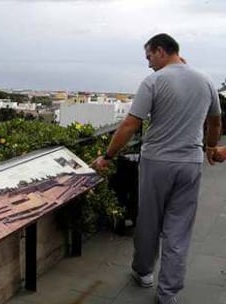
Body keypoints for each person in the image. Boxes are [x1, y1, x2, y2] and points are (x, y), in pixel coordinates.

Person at [92, 33, 222, 304]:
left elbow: (130, 124)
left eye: (149, 56)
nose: (148, 63)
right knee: (179, 228)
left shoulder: (154, 81)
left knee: (149, 221)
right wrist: (210, 148)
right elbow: (215, 122)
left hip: (157, 163)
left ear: (161, 51)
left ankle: (143, 271)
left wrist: (107, 155)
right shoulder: (206, 80)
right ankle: (168, 293)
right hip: (190, 164)